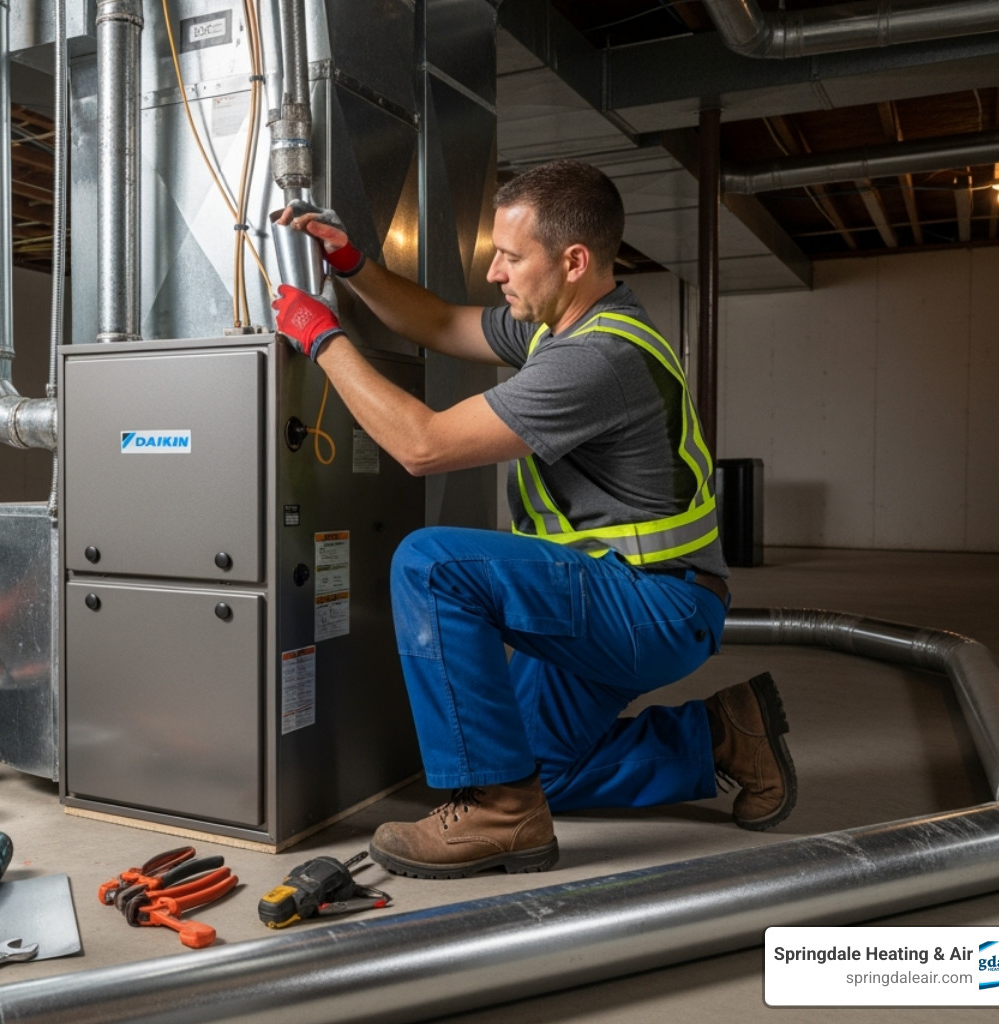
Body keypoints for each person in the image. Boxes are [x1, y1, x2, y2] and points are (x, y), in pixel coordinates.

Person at [271, 159, 797, 880]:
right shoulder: (560, 329)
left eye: (512, 257)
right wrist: (352, 264)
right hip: (628, 594)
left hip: (653, 608)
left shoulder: (597, 359)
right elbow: (438, 322)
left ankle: (497, 814)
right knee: (538, 767)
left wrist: (322, 338)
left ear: (573, 262)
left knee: (433, 565)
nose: (494, 273)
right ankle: (725, 735)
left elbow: (422, 447)